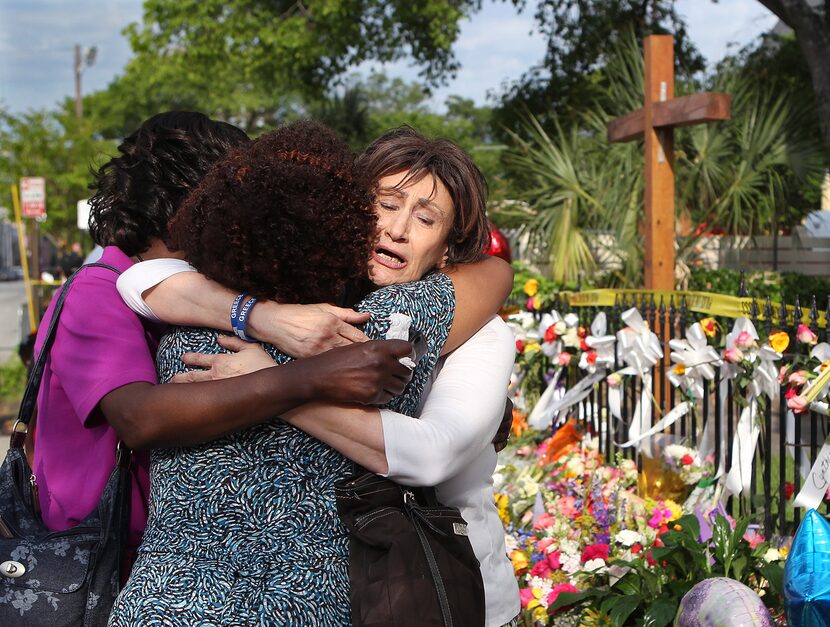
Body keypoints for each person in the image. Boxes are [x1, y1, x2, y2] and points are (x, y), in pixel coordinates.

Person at [115, 127, 519, 626]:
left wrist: (272, 383)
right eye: (386, 205)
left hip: (168, 605)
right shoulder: (266, 308)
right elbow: (141, 281)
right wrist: (264, 320)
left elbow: (432, 452)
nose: (397, 229)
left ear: (446, 252)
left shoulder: (199, 319)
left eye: (425, 217)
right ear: (346, 208)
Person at [30, 109, 415, 615]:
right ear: (190, 196)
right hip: (95, 562)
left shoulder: (204, 284)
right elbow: (141, 419)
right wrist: (304, 378)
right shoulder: (99, 291)